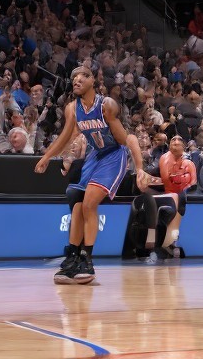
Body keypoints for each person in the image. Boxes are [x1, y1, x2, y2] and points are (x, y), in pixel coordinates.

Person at [35, 66, 149, 285]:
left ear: (92, 80)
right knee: (77, 204)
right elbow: (65, 136)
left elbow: (127, 139)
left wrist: (139, 167)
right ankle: (72, 257)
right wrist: (47, 157)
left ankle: (87, 259)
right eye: (73, 77)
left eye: (81, 77)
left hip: (114, 155)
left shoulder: (107, 105)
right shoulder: (72, 108)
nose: (76, 80)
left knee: (88, 204)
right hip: (95, 156)